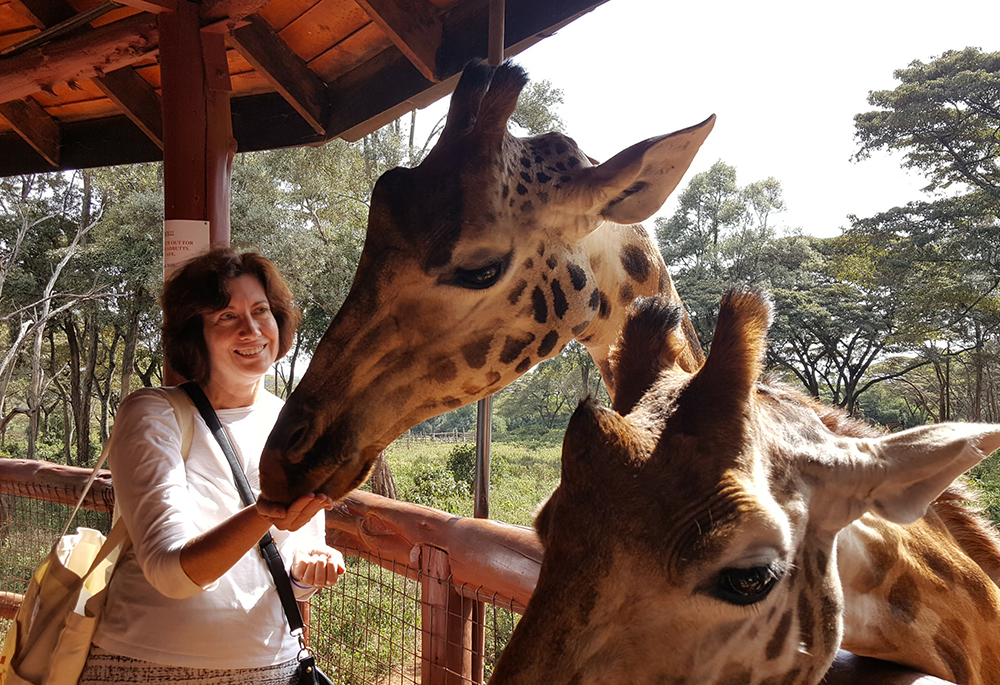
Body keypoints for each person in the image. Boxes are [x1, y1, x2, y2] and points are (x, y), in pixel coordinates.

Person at [80, 248, 345, 684]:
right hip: (147, 667)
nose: (251, 330)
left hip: (273, 667)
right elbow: (171, 574)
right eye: (226, 316)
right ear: (195, 334)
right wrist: (263, 514)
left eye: (261, 311)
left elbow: (292, 564)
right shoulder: (153, 413)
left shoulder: (293, 424)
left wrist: (309, 568)